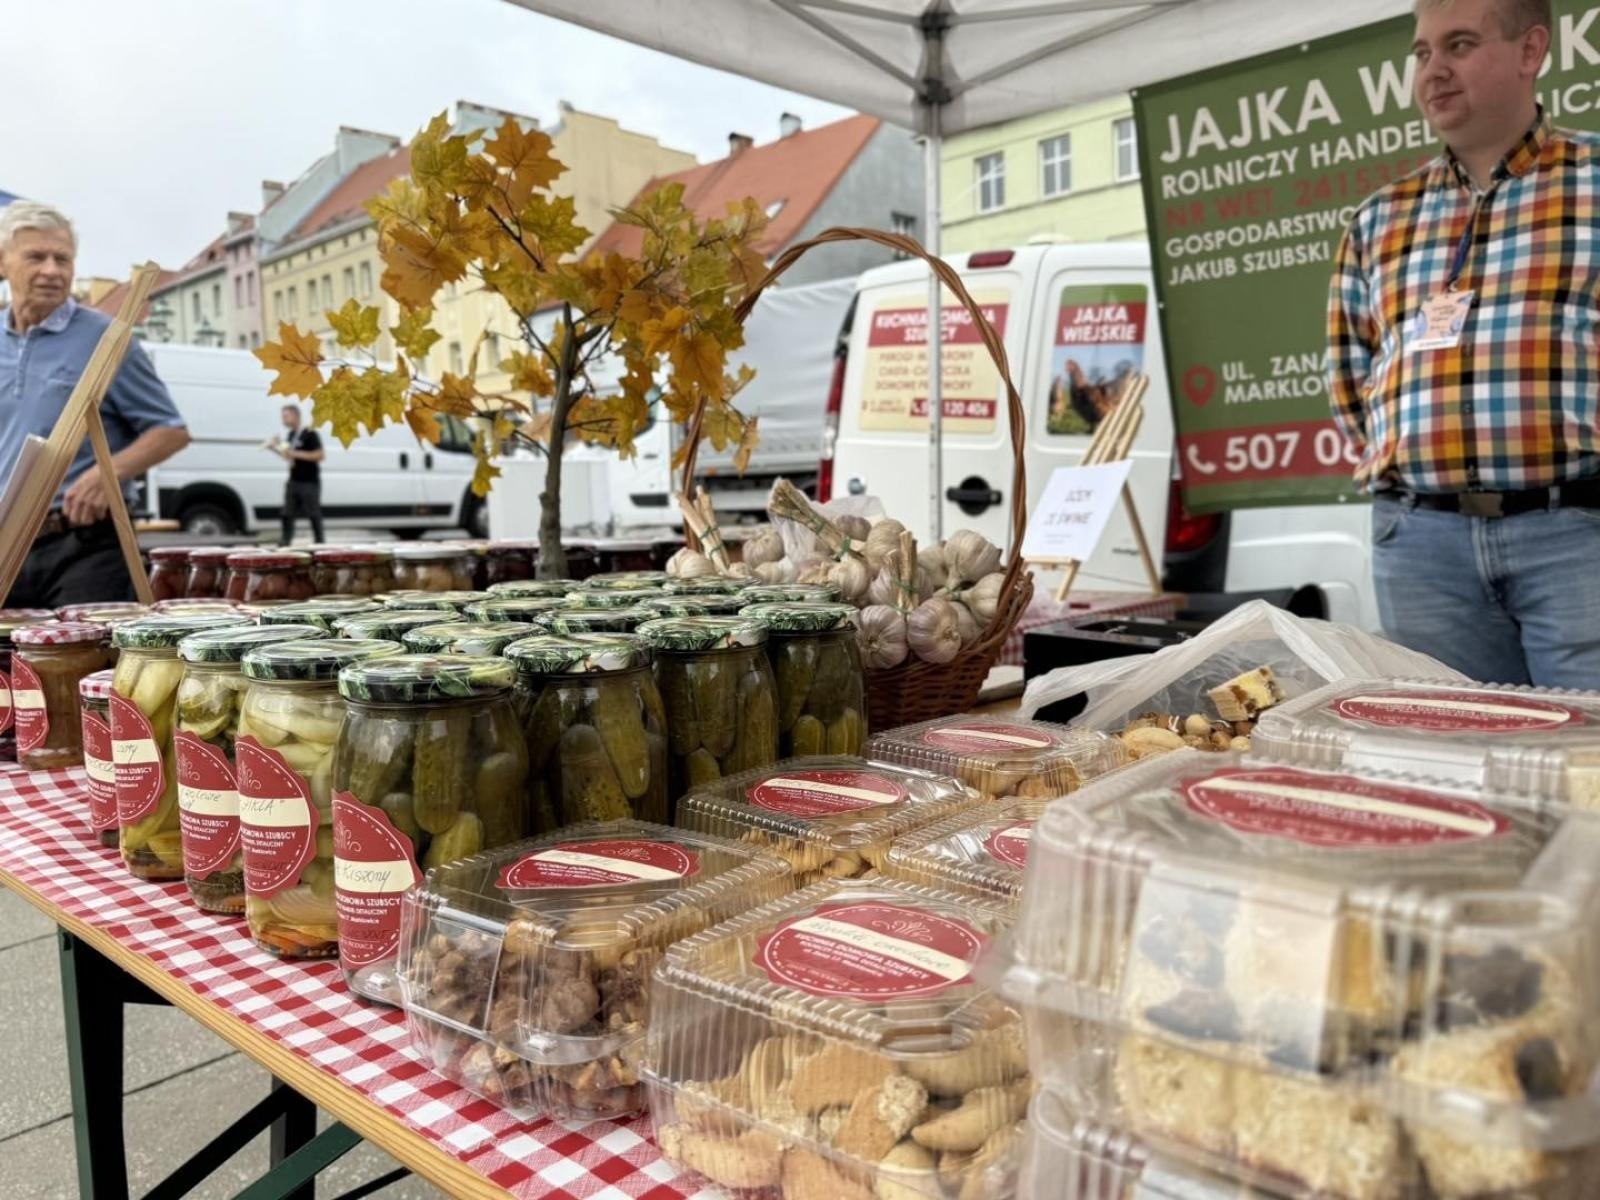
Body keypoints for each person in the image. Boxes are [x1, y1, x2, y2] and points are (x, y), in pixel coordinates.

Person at [1327, 0, 1600, 688]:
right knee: (1451, 766)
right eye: (1422, 52)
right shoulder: (1380, 219)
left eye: (1458, 45)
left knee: (1586, 766)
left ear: (1530, 50)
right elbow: (1350, 377)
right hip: (1423, 548)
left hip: (1577, 535)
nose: (1433, 71)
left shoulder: (1594, 184)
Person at [0, 203, 189, 608]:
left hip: (84, 546)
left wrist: (109, 473)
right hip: (6, 546)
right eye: (36, 256)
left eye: (62, 258)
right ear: (3, 263)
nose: (52, 270)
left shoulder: (108, 339)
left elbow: (170, 431)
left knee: (79, 668)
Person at [275, 403, 325, 545]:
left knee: (313, 513)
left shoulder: (310, 433)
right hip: (294, 480)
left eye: (286, 416)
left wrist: (294, 453)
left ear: (296, 416)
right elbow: (287, 455)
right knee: (286, 513)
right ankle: (285, 541)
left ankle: (320, 542)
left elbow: (320, 455)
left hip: (309, 481)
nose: (283, 419)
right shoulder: (290, 435)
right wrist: (275, 446)